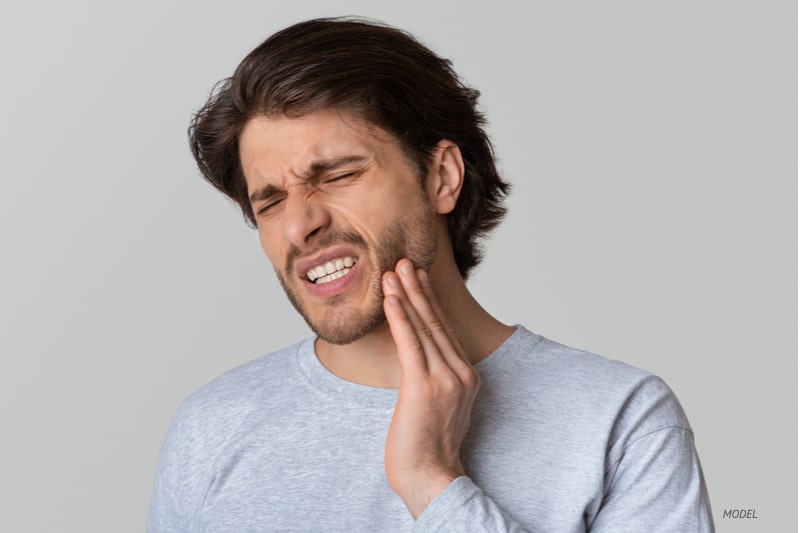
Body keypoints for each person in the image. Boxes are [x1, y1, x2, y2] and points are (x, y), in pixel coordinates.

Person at [148, 17, 714, 532]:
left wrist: (432, 484)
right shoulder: (212, 427)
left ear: (441, 176)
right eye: (270, 202)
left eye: (338, 174)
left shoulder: (620, 420)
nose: (298, 224)